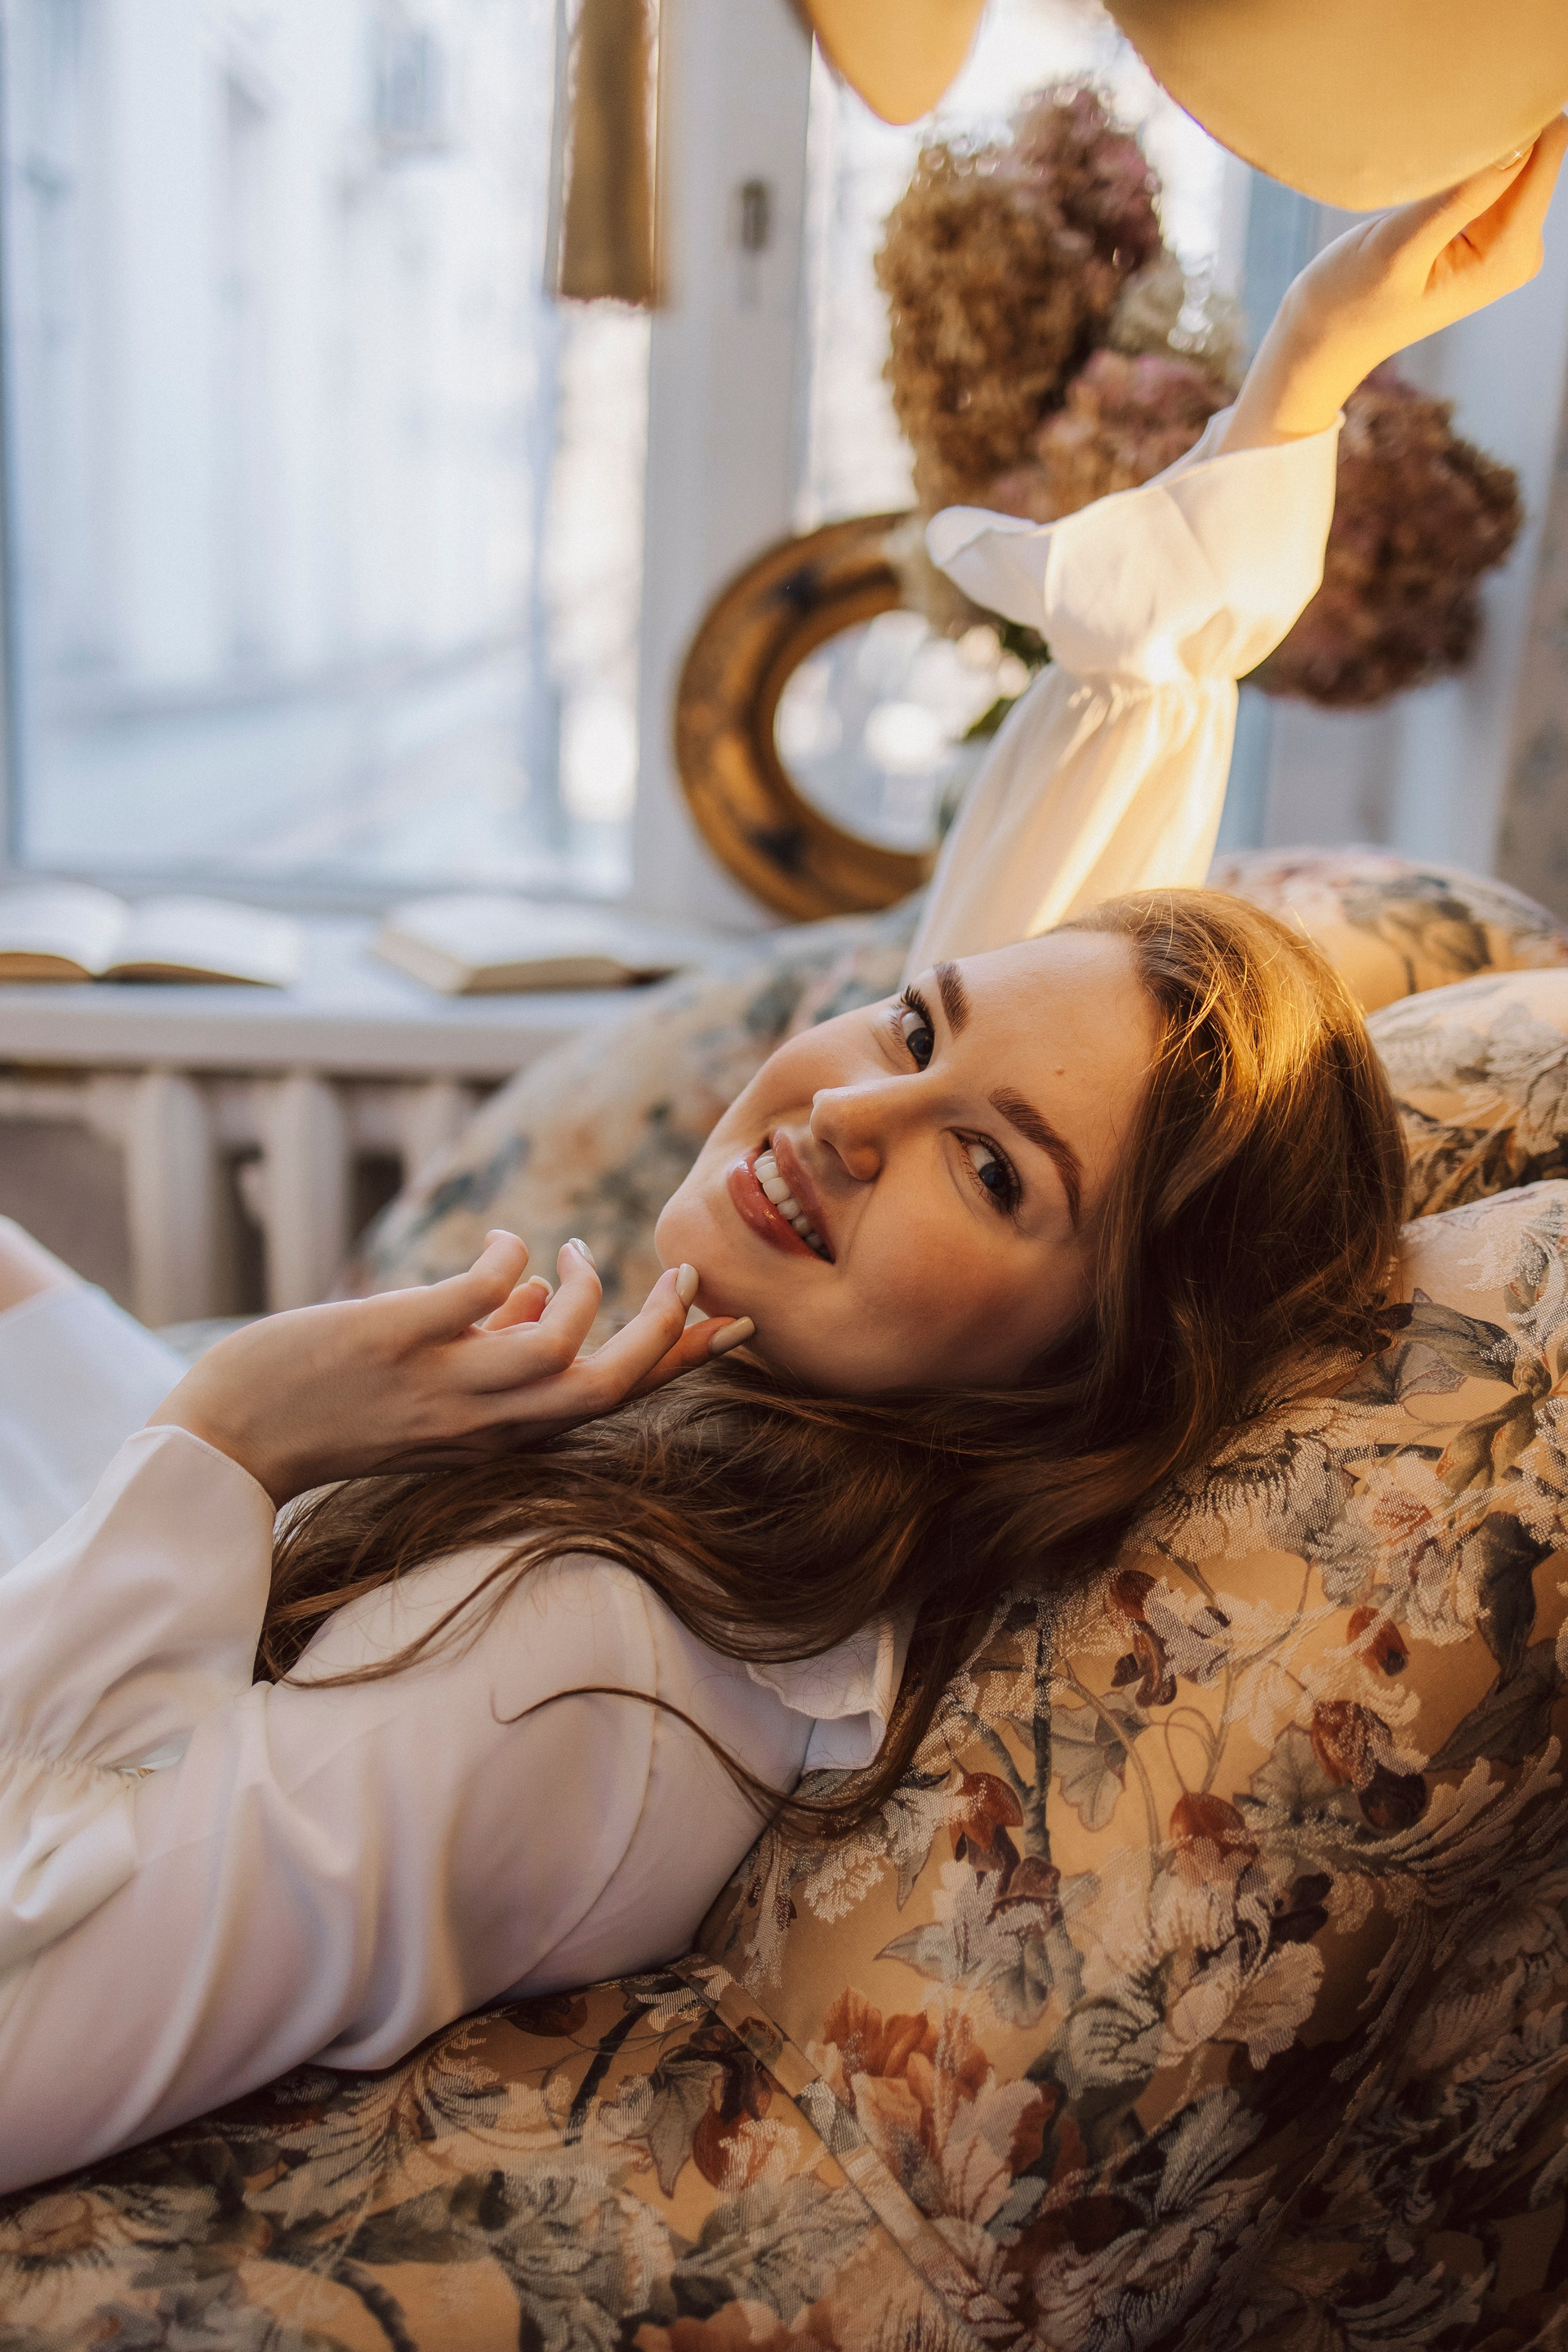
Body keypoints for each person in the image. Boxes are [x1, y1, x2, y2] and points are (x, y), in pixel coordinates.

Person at [0, 129, 1561, 2196]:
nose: (844, 1112)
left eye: (991, 1176)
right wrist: (1300, 381)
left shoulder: (584, 1686)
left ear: (1082, 1370)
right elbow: (1036, 933)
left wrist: (231, 1431)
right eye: (911, 1032)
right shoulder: (760, 1461)